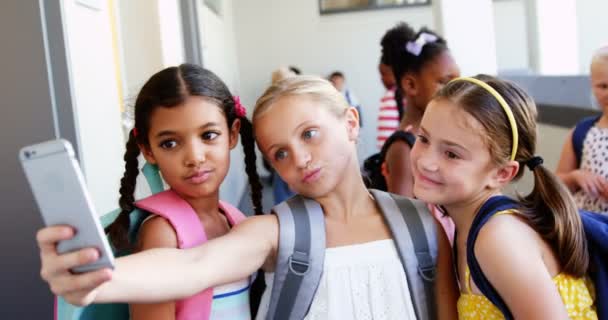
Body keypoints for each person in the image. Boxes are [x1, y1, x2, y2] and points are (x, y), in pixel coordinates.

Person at [36, 76, 455, 319]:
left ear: (350, 122)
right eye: (281, 154)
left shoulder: (421, 222)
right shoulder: (274, 231)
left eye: (309, 133)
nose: (302, 158)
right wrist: (94, 282)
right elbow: (193, 265)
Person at [74, 64, 262, 320]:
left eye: (208, 135)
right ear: (149, 151)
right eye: (170, 143)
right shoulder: (163, 233)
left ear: (232, 134)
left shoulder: (234, 219)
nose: (195, 157)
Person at [412, 75, 597, 319]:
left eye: (451, 154)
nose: (426, 161)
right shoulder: (471, 227)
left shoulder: (498, 237)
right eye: (423, 139)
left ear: (501, 173)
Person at [379, 22, 460, 197]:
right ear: (411, 85)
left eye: (458, 81)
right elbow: (403, 220)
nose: (456, 90)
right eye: (445, 82)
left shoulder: (438, 136)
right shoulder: (404, 148)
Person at [556, 46, 608, 215]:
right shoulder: (582, 132)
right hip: (583, 225)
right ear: (592, 84)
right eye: (603, 86)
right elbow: (556, 183)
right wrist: (575, 177)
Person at [376, 61, 400, 150]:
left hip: (391, 148)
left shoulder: (396, 96)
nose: (381, 79)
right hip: (385, 149)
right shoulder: (388, 95)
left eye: (384, 74)